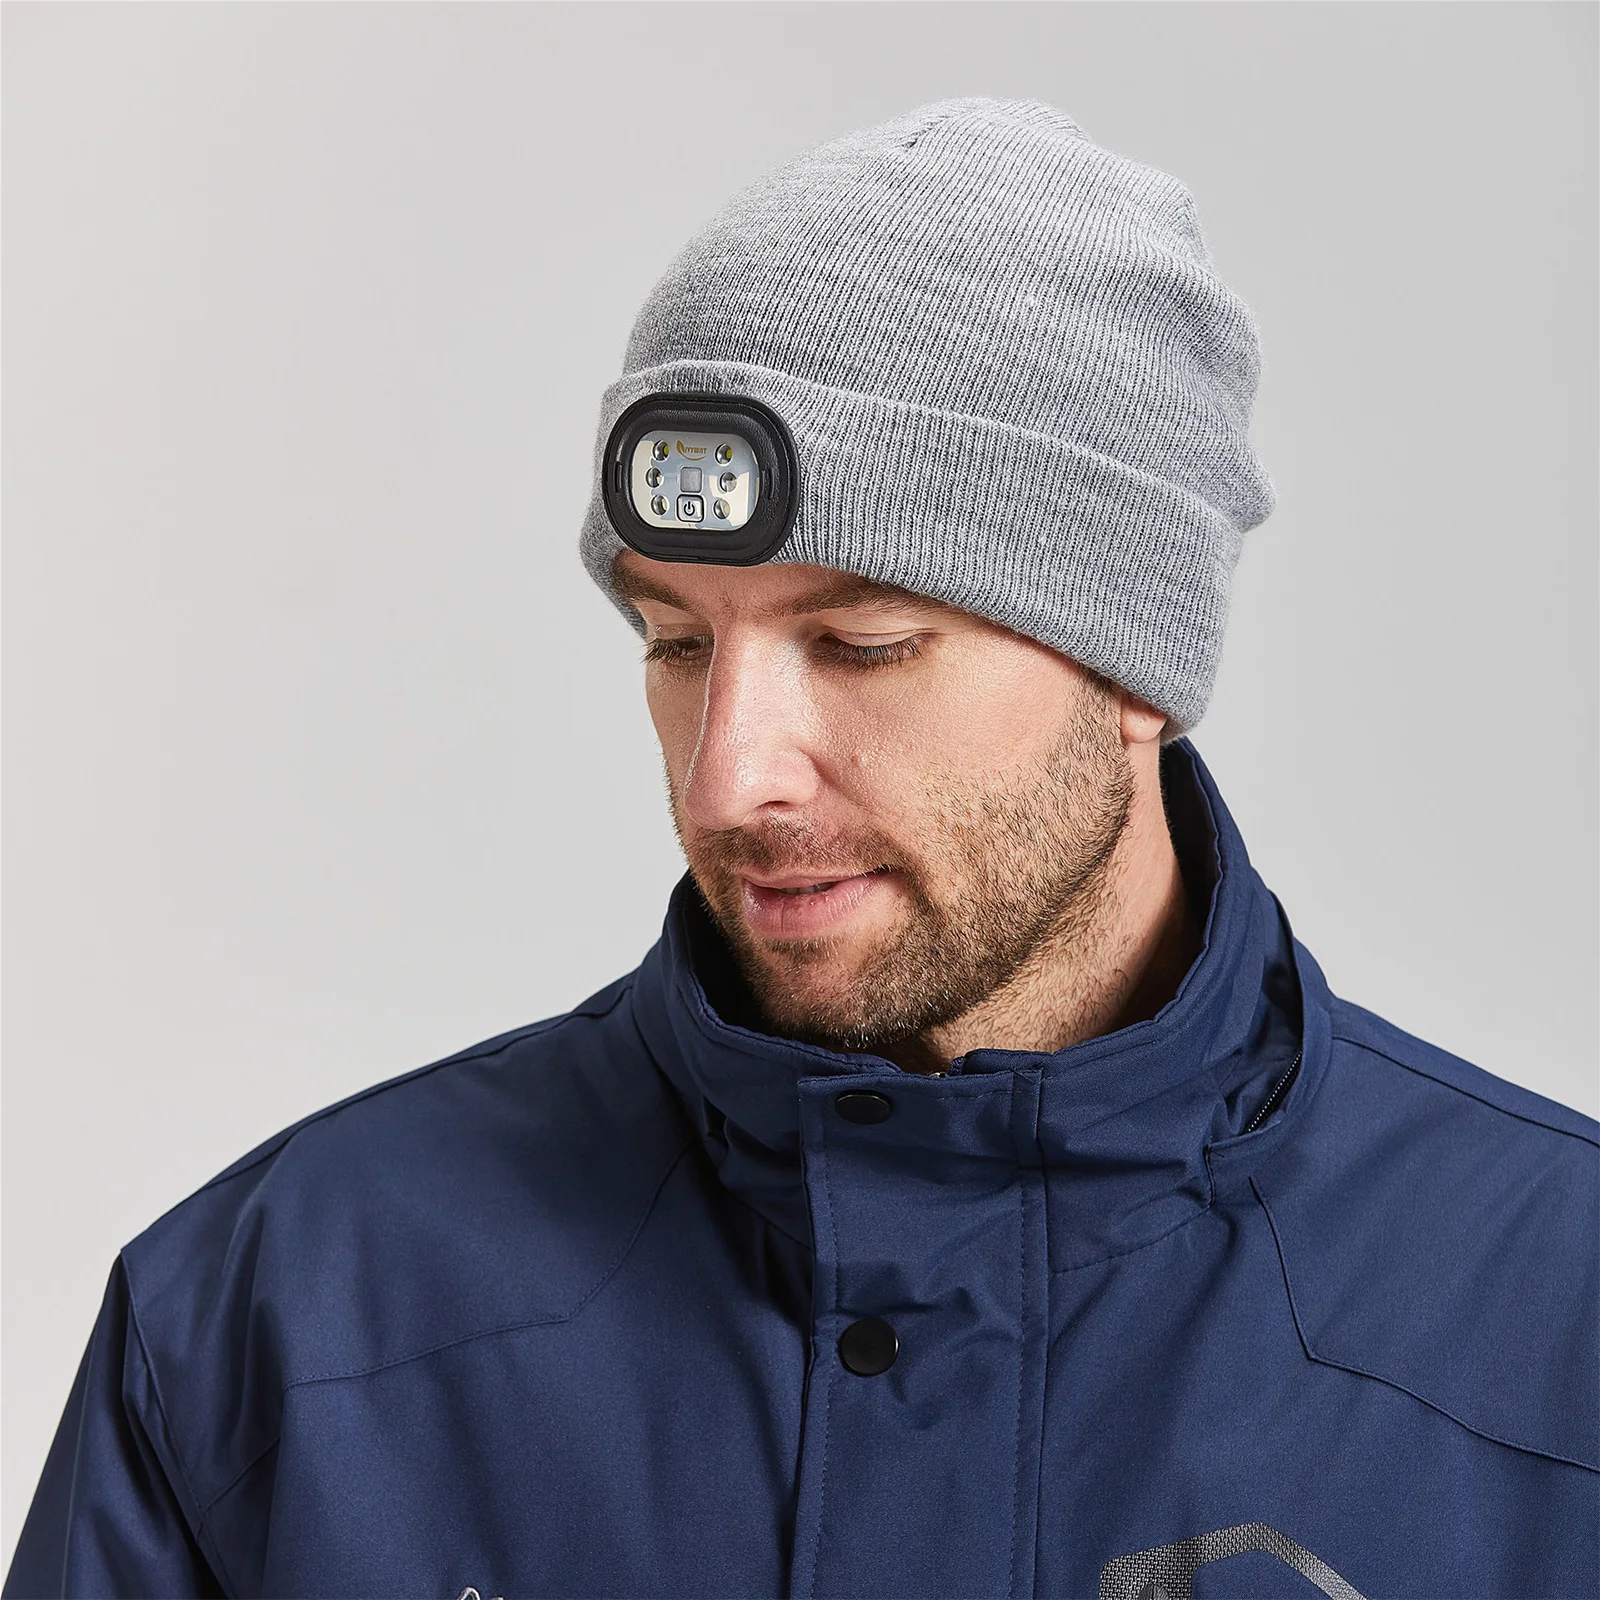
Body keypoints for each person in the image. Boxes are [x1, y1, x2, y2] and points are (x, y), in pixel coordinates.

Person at [6, 97, 1595, 1600]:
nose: (727, 780)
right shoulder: (276, 1322)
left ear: (1134, 672)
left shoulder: (1556, 1322)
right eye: (677, 641)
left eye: (862, 644)